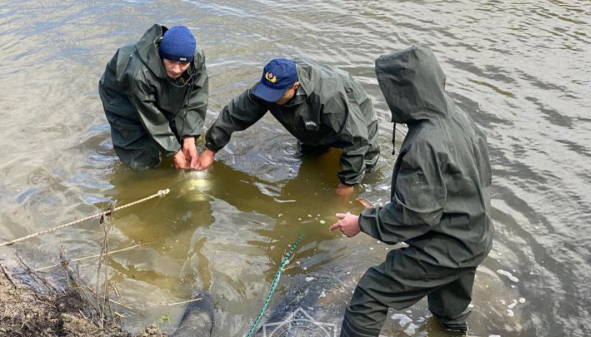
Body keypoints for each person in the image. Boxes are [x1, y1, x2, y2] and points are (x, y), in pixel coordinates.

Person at [330, 46, 494, 336]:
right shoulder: (458, 116)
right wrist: (382, 211)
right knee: (449, 308)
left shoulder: (425, 142)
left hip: (446, 247)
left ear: (404, 91)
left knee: (371, 292)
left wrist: (362, 222)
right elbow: (453, 187)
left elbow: (416, 216)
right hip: (475, 235)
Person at [196, 58, 379, 196]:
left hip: (356, 121)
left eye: (276, 94)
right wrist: (211, 148)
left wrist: (347, 184)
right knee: (309, 164)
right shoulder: (270, 88)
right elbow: (235, 113)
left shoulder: (330, 98)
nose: (269, 98)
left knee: (363, 177)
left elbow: (357, 138)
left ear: (295, 86)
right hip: (311, 125)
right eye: (266, 92)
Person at [99, 24, 209, 170]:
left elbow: (196, 97)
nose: (176, 69)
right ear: (162, 55)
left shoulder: (196, 59)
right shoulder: (139, 74)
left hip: (154, 82)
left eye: (183, 64)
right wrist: (174, 152)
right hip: (122, 92)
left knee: (180, 134)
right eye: (171, 61)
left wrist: (189, 136)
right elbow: (151, 118)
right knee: (141, 156)